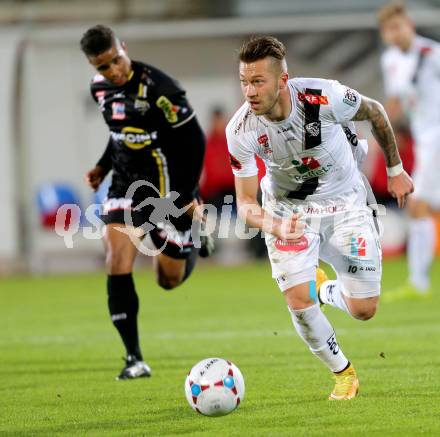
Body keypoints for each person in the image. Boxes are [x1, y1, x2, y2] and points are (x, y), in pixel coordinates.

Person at [226, 36, 413, 400]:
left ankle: (324, 288)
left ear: (283, 80)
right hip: (287, 211)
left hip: (346, 204)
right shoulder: (241, 130)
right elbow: (246, 203)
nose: (249, 91)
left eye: (258, 81)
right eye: (244, 82)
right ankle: (343, 373)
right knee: (297, 300)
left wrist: (395, 169)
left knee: (363, 309)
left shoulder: (321, 95)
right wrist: (274, 224)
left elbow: (374, 111)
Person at [80, 25, 213, 380]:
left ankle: (192, 234)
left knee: (168, 281)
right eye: (104, 66)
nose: (114, 71)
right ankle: (134, 358)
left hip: (167, 188)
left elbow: (195, 142)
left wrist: (186, 194)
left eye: (116, 60)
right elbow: (118, 134)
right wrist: (103, 165)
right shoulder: (100, 90)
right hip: (125, 184)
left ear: (123, 47)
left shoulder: (161, 89)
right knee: (116, 255)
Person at [378, 2, 439, 300]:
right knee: (424, 207)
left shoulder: (432, 54)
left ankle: (418, 283)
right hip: (423, 140)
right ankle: (419, 281)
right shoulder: (390, 60)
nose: (395, 33)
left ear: (410, 25)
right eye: (389, 29)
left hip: (437, 137)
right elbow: (394, 103)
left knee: (418, 206)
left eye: (398, 26)